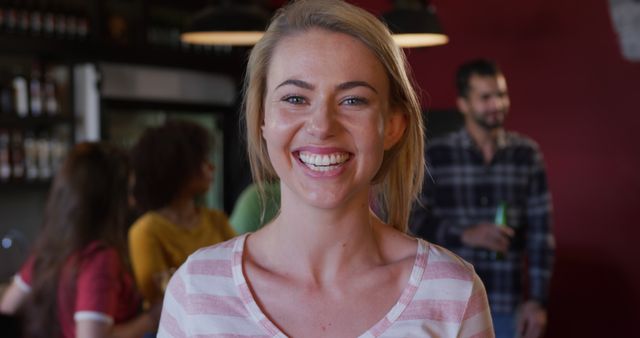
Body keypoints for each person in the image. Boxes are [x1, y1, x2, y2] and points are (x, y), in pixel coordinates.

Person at [158, 1, 493, 337]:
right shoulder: (195, 289)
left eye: (353, 100)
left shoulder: (453, 294)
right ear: (262, 118)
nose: (321, 126)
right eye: (294, 99)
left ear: (392, 125)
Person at [410, 59, 555, 338]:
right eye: (486, 97)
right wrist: (465, 235)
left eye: (501, 95)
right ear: (463, 104)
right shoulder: (436, 154)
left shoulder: (527, 154)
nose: (497, 104)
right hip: (446, 299)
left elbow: (541, 234)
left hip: (505, 300)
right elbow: (412, 220)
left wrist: (537, 301)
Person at [0, 142, 160, 338]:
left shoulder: (53, 248)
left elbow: (8, 308)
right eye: (126, 192)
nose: (131, 202)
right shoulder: (100, 258)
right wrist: (151, 319)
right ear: (106, 199)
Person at [128, 120, 236, 309]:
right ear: (178, 168)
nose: (212, 167)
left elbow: (240, 271)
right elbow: (156, 298)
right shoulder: (146, 230)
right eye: (202, 161)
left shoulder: (216, 219)